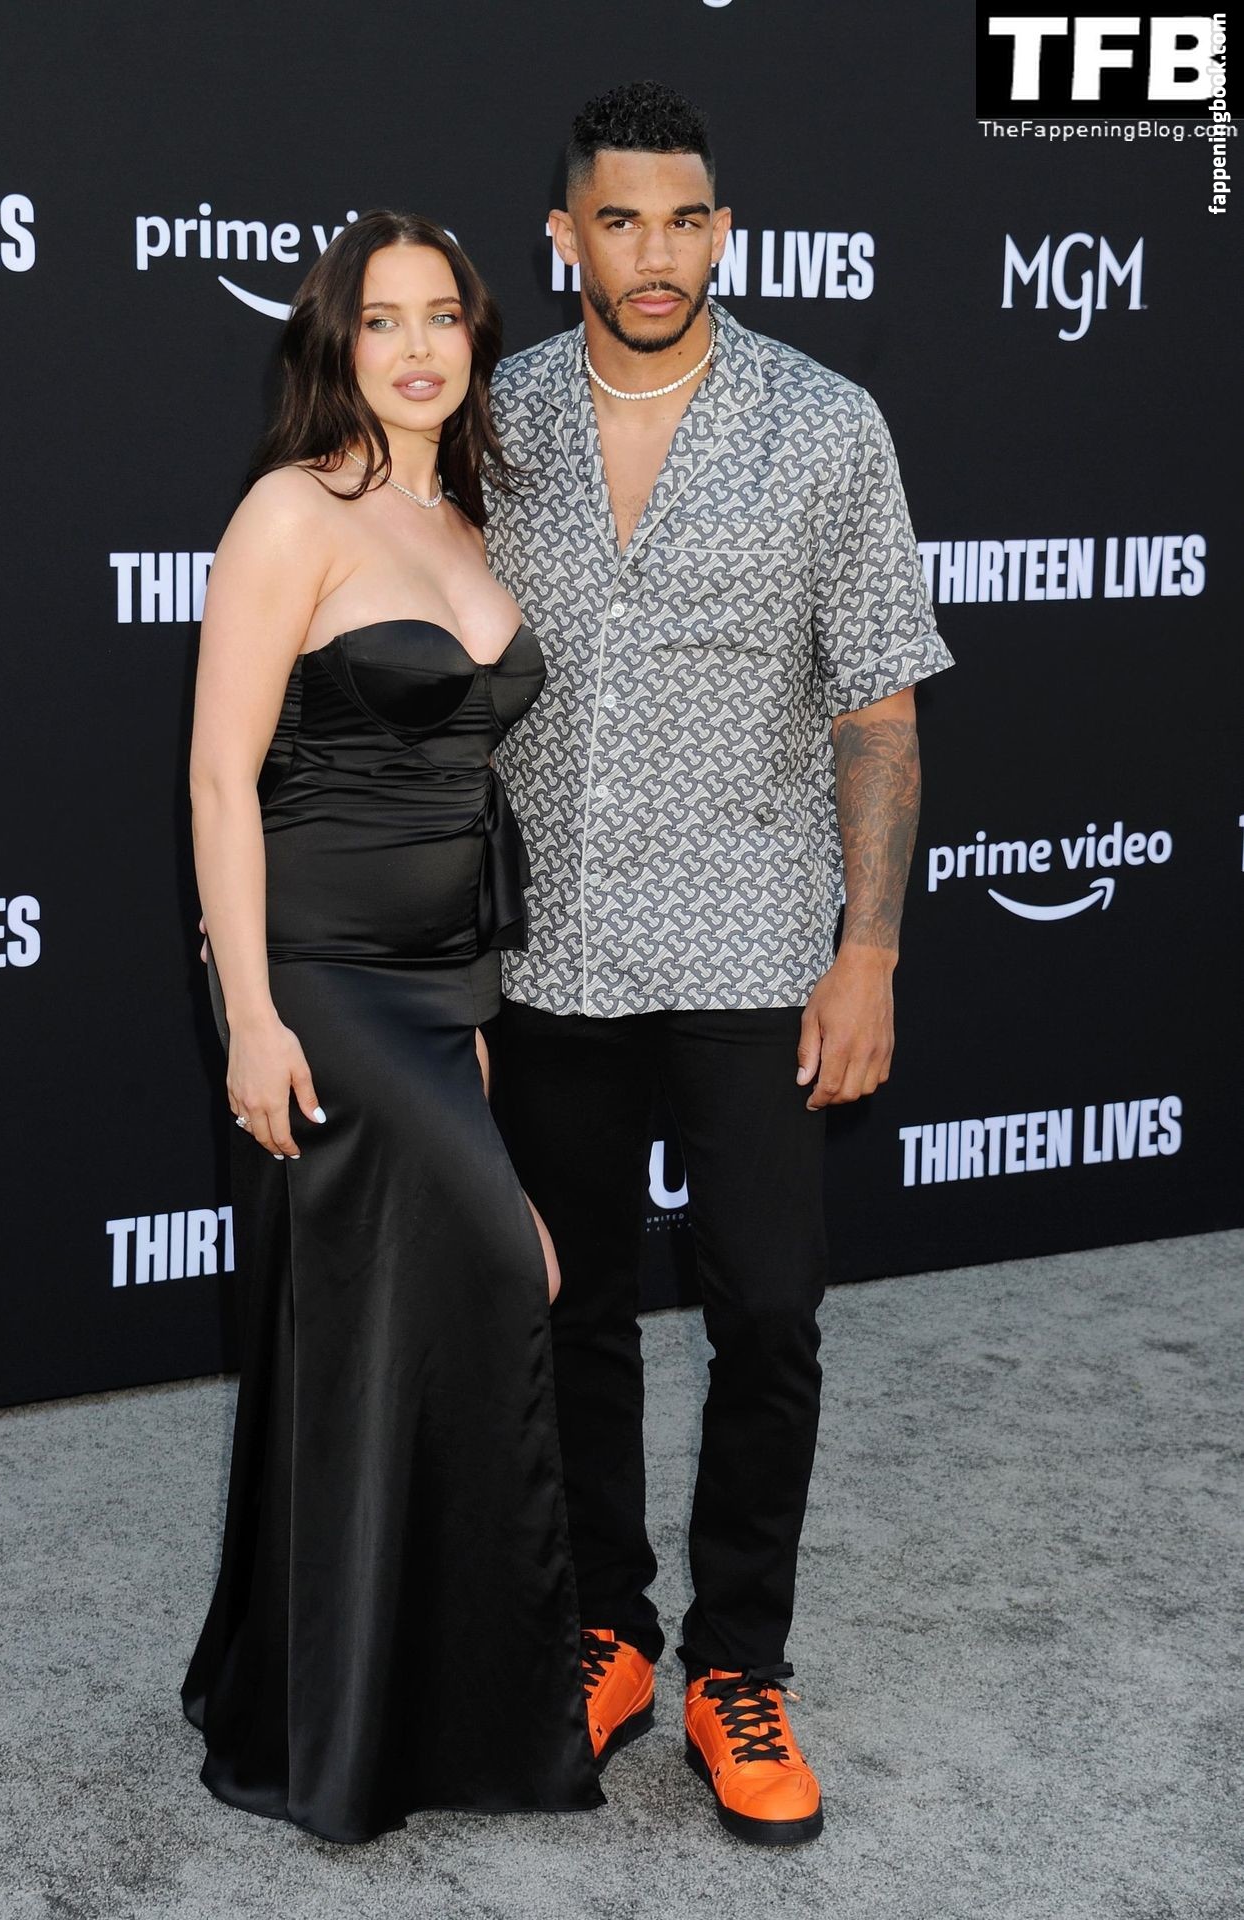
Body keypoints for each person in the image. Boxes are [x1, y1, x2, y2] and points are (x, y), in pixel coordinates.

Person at [485, 81, 954, 1847]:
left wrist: (871, 949)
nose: (656, 252)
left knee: (767, 1313)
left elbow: (878, 712)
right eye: (620, 220)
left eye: (685, 220)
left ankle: (739, 1663)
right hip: (550, 950)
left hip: (755, 940)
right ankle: (607, 1626)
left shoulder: (824, 423)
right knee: (570, 1312)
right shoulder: (496, 422)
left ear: (724, 233)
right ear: (567, 239)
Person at [182, 210, 603, 1844]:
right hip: (322, 977)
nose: (417, 348)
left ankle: (396, 1697)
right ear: (336, 344)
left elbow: (466, 794)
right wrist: (248, 1014)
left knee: (396, 1328)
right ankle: (358, 1720)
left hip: (444, 987)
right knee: (495, 1274)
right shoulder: (293, 510)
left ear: (476, 339)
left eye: (442, 317)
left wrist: (477, 1047)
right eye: (381, 320)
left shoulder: (464, 523)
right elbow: (223, 780)